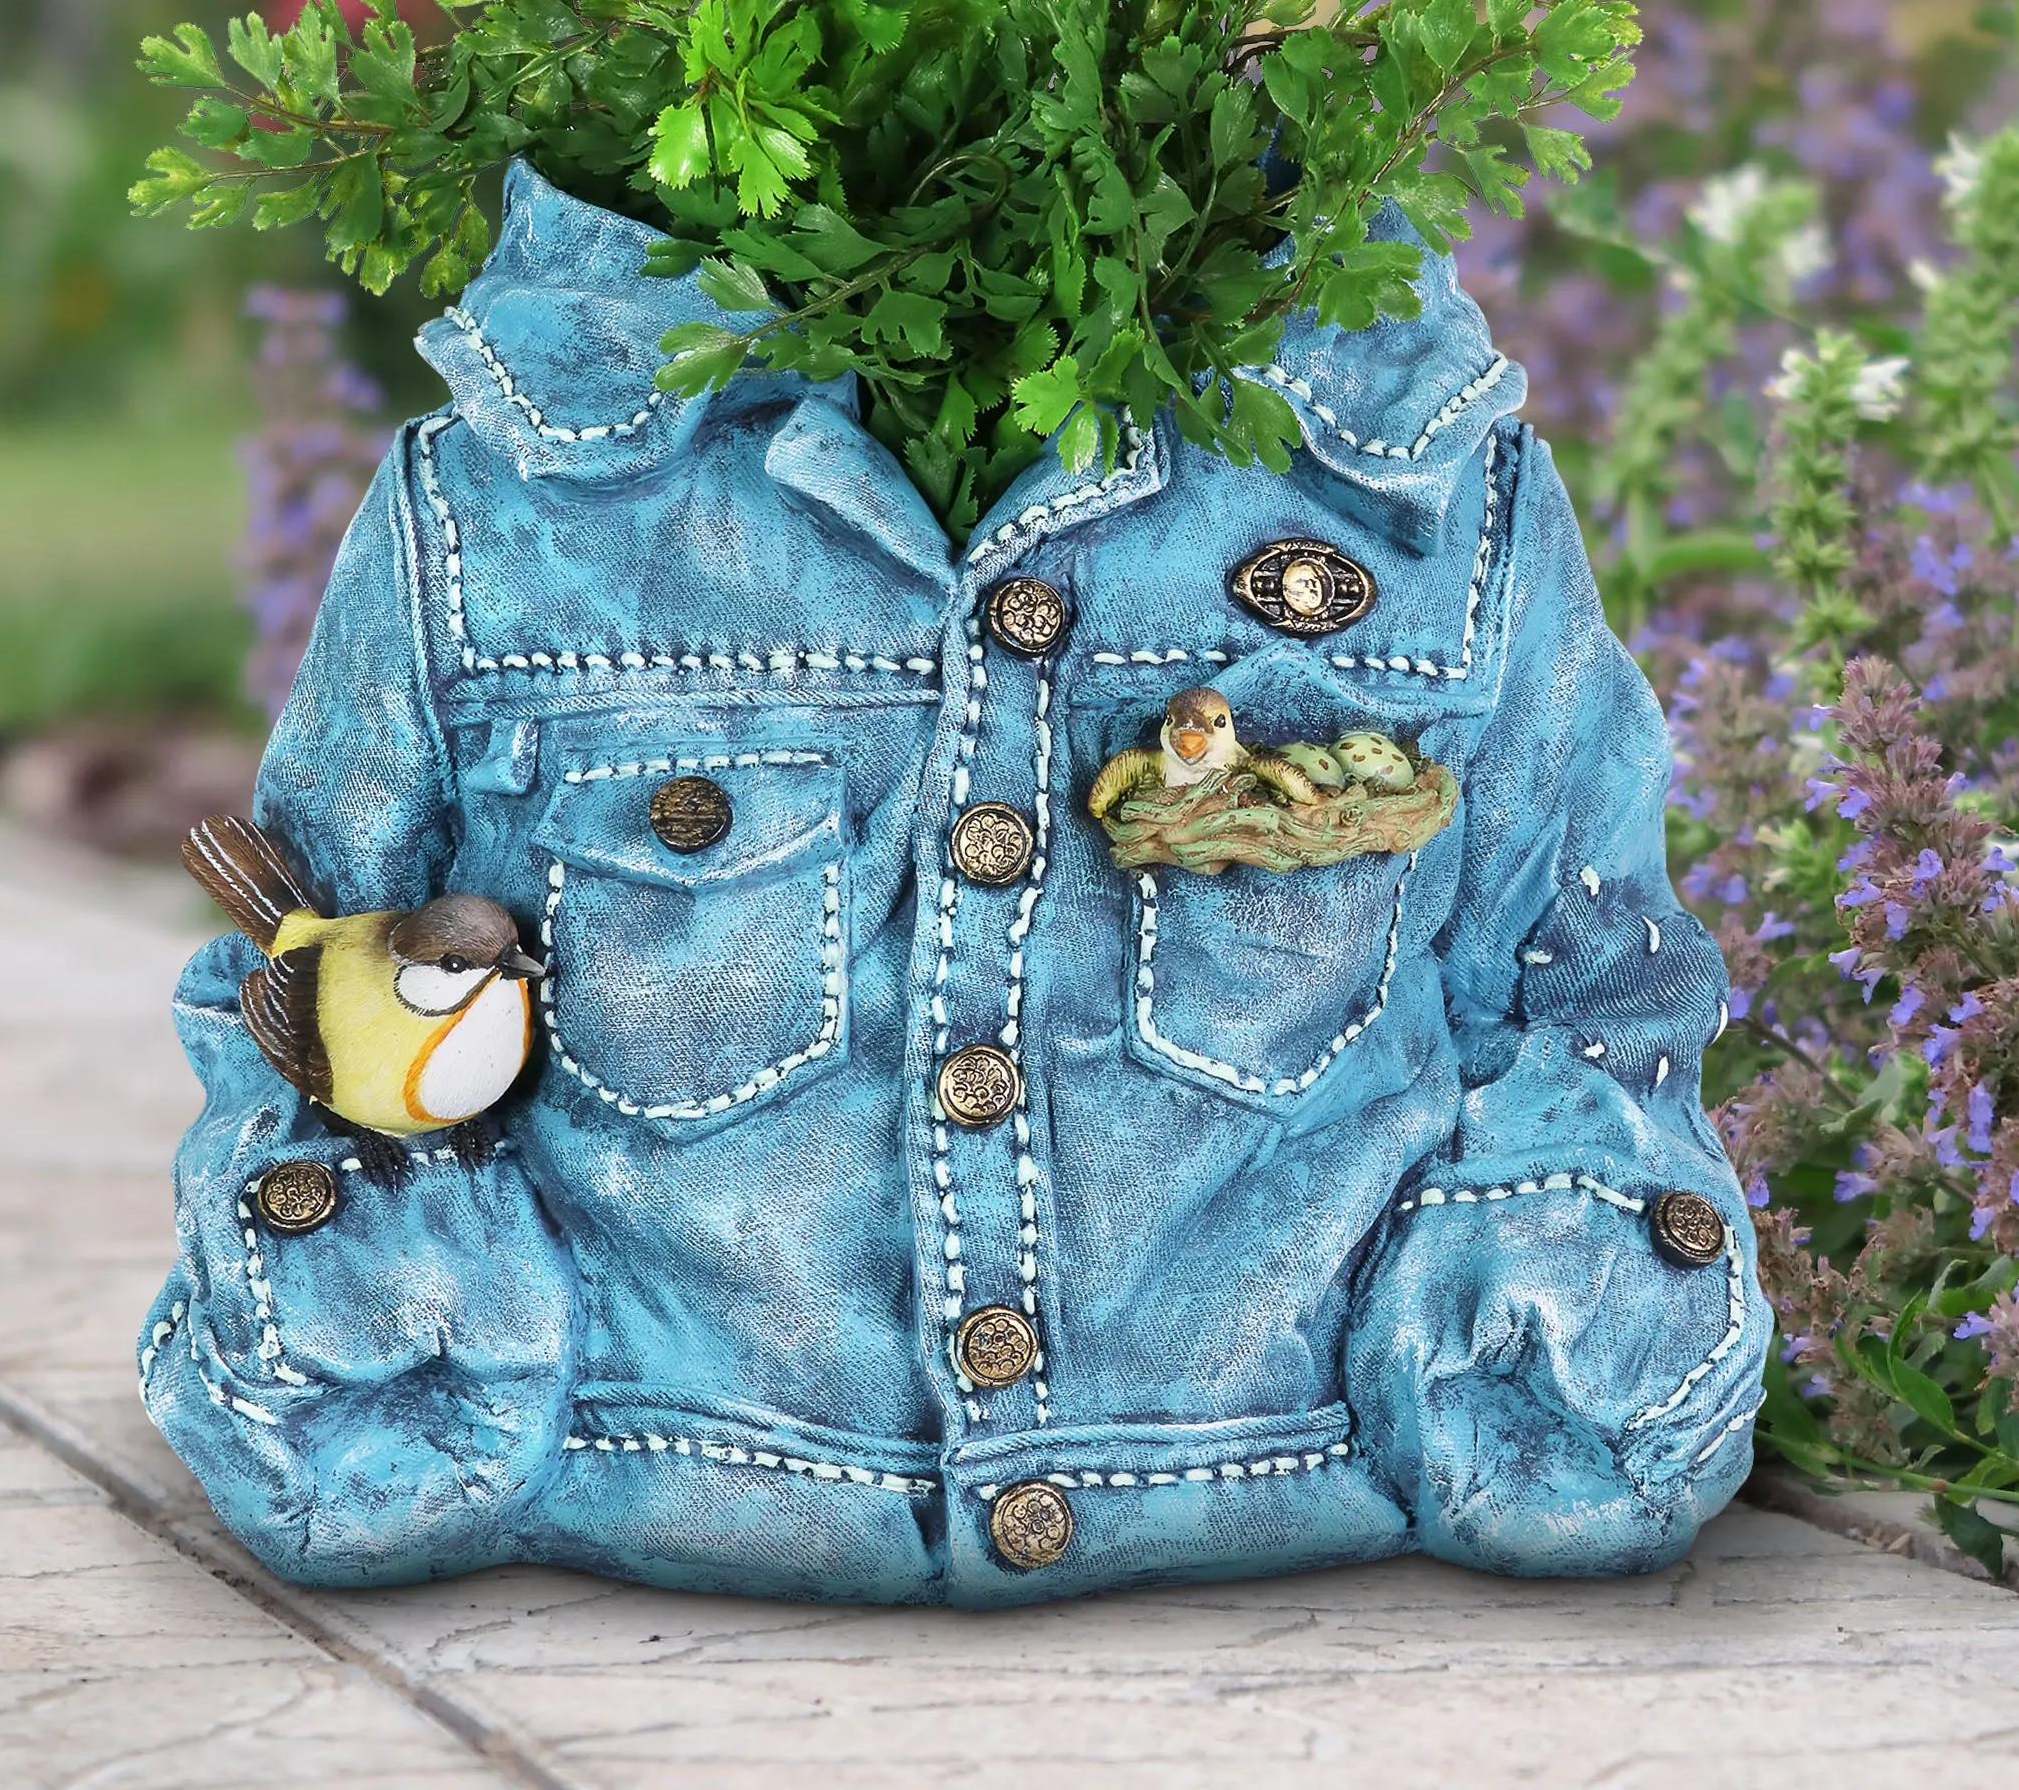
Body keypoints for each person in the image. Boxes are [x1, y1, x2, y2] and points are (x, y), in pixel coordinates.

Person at [140, 158, 1765, 1606]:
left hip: (1297, 1459)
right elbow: (317, 968)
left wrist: (1561, 1308)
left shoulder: (1426, 498)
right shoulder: (499, 515)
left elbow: (1583, 979)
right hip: (643, 1452)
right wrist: (393, 1335)